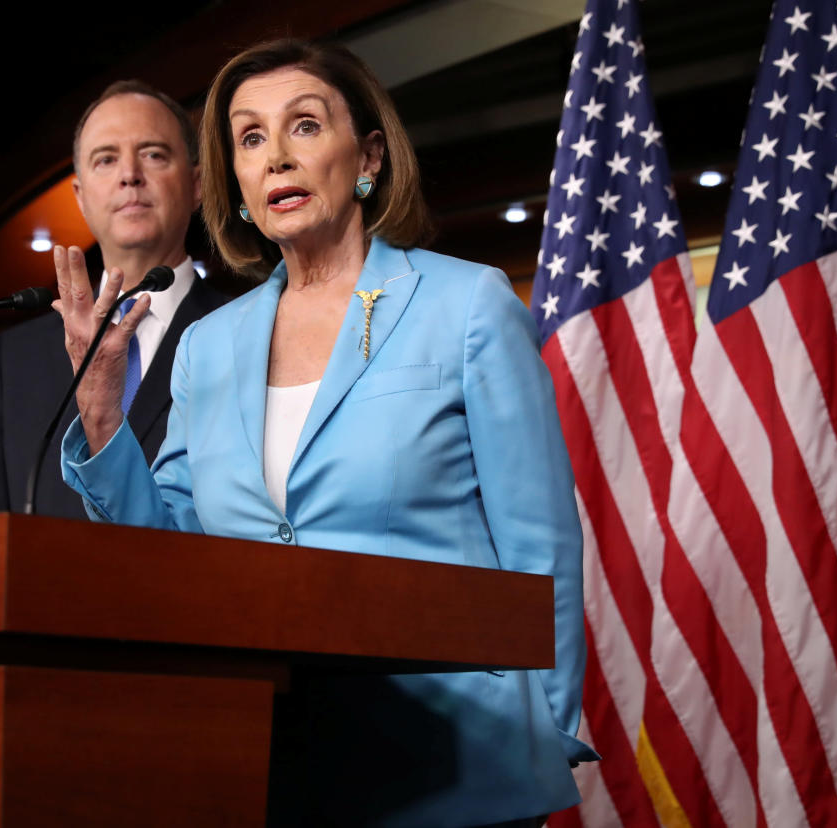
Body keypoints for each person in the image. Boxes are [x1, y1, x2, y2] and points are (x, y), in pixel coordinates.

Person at [54, 41, 595, 827]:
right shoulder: (210, 345)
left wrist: (541, 734)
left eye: (303, 126)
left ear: (367, 154)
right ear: (236, 183)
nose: (276, 156)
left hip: (460, 765)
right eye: (249, 138)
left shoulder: (466, 304)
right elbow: (170, 551)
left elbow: (540, 548)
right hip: (269, 764)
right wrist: (100, 409)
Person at [0, 80, 223, 518]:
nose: (129, 174)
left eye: (154, 154)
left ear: (197, 185)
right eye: (106, 159)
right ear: (80, 198)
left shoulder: (243, 333)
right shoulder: (16, 357)